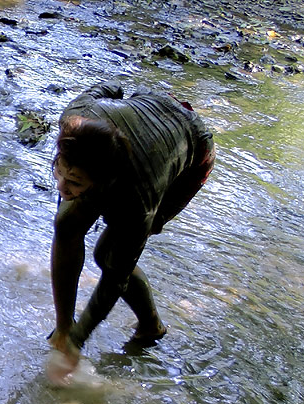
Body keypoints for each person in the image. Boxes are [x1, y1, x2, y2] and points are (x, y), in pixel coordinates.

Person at [46, 81, 215, 382]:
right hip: (150, 100)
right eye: (60, 170)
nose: (61, 186)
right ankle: (63, 326)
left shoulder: (137, 198)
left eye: (74, 182)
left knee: (108, 256)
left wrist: (76, 343)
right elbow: (108, 88)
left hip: (191, 145)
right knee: (66, 223)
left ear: (102, 182)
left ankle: (151, 327)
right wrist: (65, 331)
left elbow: (116, 278)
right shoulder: (75, 118)